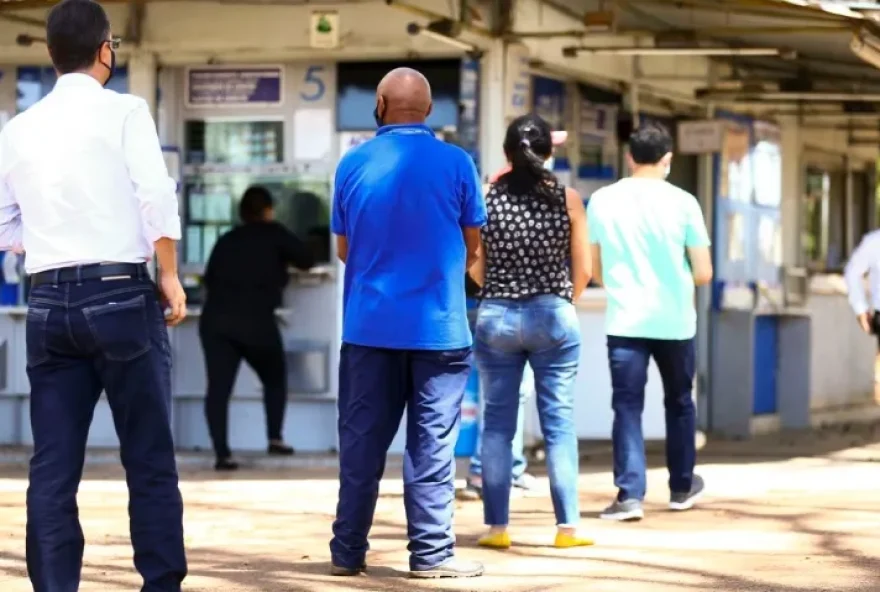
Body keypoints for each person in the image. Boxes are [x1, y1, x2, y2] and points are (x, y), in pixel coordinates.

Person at [0, 0, 188, 589]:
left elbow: (5, 224)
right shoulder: (126, 110)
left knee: (52, 467)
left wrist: (53, 242)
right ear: (106, 50)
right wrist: (170, 272)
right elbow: (154, 194)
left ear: (52, 55)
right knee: (148, 458)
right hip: (122, 299)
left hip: (49, 303)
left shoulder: (18, 127)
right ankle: (160, 584)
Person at [329, 67, 485, 579]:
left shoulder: (352, 164)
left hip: (370, 329)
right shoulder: (457, 162)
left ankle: (348, 552)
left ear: (379, 103)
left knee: (361, 446)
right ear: (429, 108)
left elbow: (344, 249)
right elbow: (472, 246)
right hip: (440, 331)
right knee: (432, 447)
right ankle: (431, 556)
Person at [468, 114, 593, 549]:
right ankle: (567, 528)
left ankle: (498, 529)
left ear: (506, 154)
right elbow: (585, 268)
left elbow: (473, 262)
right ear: (549, 153)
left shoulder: (486, 198)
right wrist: (562, 298)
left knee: (498, 426)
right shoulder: (569, 200)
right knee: (558, 423)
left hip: (496, 317)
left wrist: (500, 291)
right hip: (553, 315)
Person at [587, 123, 713, 522]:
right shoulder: (684, 202)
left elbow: (594, 267)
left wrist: (621, 283)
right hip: (675, 320)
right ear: (667, 159)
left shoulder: (603, 200)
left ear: (628, 156)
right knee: (679, 402)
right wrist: (674, 278)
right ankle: (680, 487)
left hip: (625, 319)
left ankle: (629, 495)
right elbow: (704, 271)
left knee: (626, 406)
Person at [459, 136, 569, 501]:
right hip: (524, 310)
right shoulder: (537, 193)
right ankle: (488, 473)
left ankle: (505, 472)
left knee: (504, 398)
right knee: (513, 401)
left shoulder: (492, 192)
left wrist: (492, 290)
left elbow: (474, 255)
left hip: (496, 309)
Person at [200, 186, 315, 470]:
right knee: (275, 376)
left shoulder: (226, 239)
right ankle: (275, 439)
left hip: (216, 321)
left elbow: (209, 279)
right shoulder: (274, 233)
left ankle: (222, 454)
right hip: (255, 321)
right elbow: (307, 260)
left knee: (218, 388)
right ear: (267, 210)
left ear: (241, 213)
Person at [844, 229, 880, 343]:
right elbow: (852, 272)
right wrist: (860, 308)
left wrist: (860, 308)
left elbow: (852, 272)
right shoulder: (875, 242)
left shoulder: (874, 241)